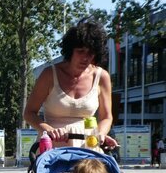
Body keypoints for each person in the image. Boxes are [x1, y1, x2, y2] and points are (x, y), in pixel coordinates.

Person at [23, 18, 114, 149]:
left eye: (90, 53)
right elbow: (29, 113)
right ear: (70, 50)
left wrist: (101, 133)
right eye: (80, 51)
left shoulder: (101, 77)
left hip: (88, 147)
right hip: (53, 148)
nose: (85, 57)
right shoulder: (49, 74)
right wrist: (48, 129)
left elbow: (106, 117)